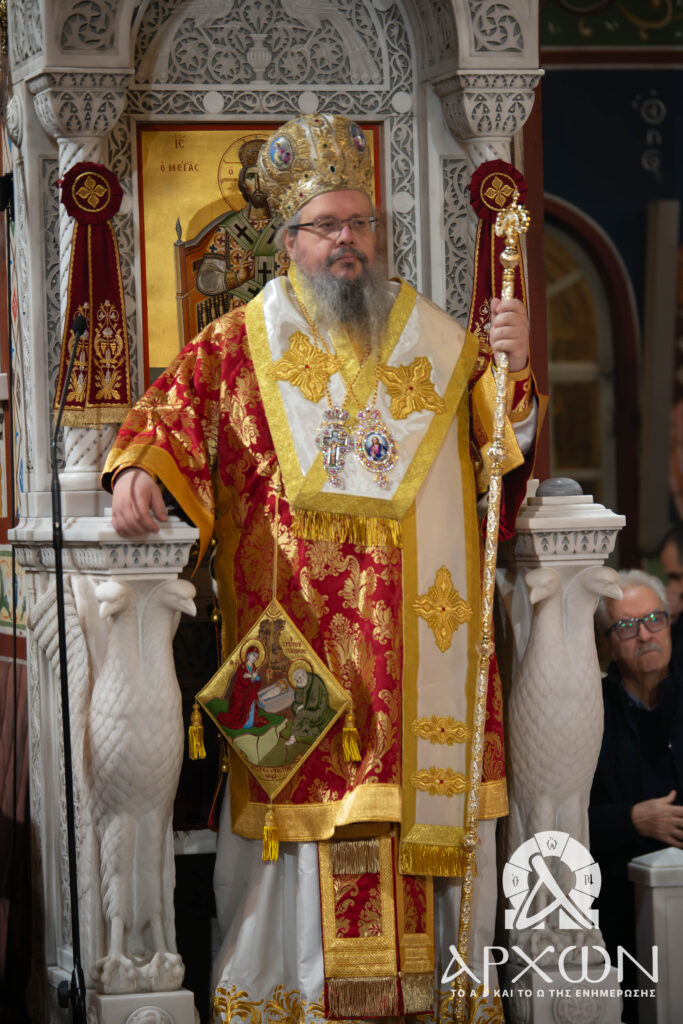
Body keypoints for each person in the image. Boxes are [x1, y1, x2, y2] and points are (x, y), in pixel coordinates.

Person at [103, 114, 539, 1023]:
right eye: (326, 226)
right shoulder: (238, 343)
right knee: (295, 840)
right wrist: (140, 467)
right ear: (288, 243)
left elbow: (499, 463)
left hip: (419, 660)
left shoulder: (439, 344)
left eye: (360, 223)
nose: (348, 241)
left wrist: (516, 370)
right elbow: (167, 418)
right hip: (296, 650)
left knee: (419, 826)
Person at [592, 569, 683, 1023]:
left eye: (654, 620)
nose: (645, 635)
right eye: (627, 626)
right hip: (620, 910)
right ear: (608, 644)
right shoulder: (591, 711)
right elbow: (564, 821)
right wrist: (632, 818)